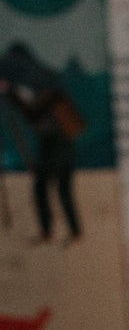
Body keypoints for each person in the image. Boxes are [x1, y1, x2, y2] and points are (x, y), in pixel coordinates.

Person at [0, 78, 82, 243]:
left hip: (54, 145)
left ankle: (52, 231)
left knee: (45, 187)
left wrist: (10, 94)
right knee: (60, 188)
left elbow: (31, 113)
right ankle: (70, 231)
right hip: (62, 145)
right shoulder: (50, 98)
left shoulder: (44, 102)